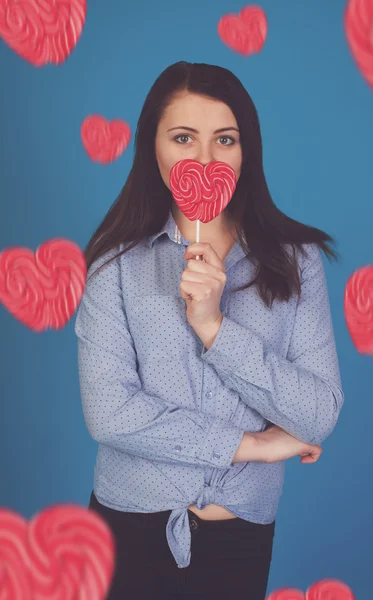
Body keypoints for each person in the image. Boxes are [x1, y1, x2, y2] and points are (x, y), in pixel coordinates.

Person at [75, 61, 344, 600]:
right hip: (126, 530)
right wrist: (255, 446)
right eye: (182, 138)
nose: (204, 159)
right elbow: (109, 413)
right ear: (153, 147)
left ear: (247, 151)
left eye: (225, 139)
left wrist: (215, 328)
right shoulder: (115, 264)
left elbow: (318, 413)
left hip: (241, 537)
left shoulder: (297, 261)